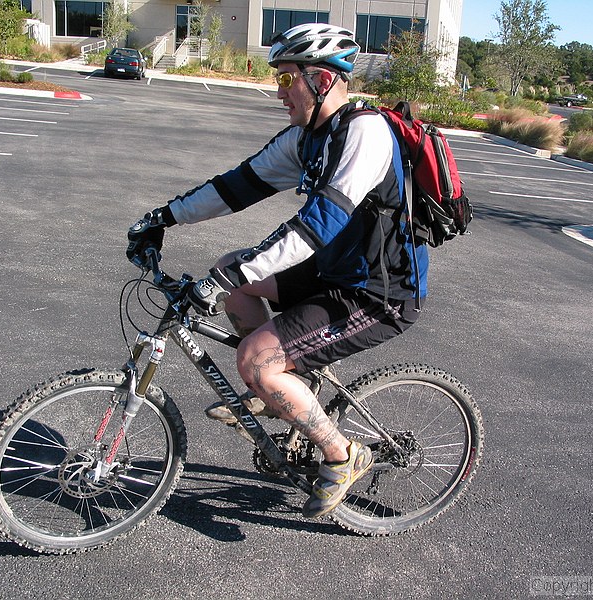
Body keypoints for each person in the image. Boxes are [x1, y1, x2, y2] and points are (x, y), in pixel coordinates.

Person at [126, 24, 429, 518]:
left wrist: (230, 278)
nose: (279, 90)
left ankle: (342, 453)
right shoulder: (308, 138)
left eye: (288, 79)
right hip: (334, 273)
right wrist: (163, 217)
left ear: (323, 81)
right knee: (232, 277)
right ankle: (275, 393)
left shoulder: (367, 134)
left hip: (379, 293)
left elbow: (317, 224)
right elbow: (236, 187)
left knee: (256, 358)